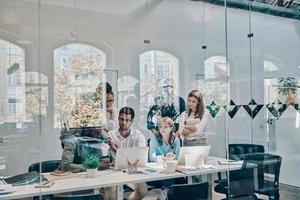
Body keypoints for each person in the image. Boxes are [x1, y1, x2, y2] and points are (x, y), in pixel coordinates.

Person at [106, 107, 147, 200]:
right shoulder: (110, 135)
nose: (124, 122)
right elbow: (105, 158)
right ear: (118, 119)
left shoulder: (139, 135)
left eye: (127, 120)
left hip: (132, 171)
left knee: (143, 190)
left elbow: (139, 159)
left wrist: (116, 149)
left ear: (132, 121)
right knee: (111, 194)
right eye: (121, 119)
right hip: (113, 172)